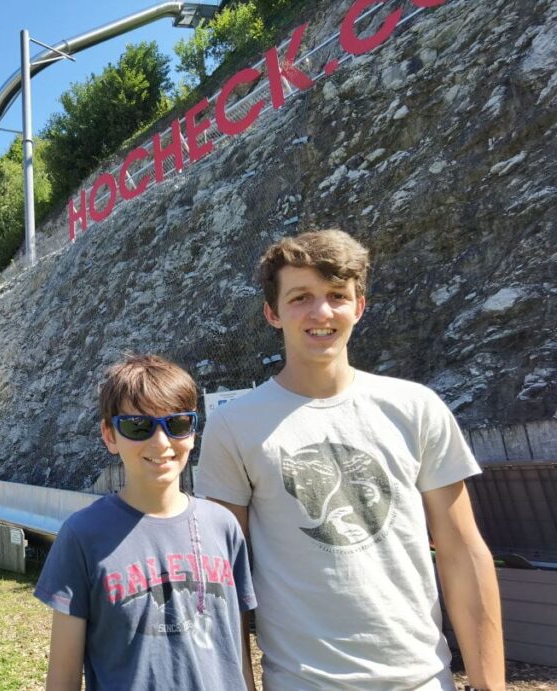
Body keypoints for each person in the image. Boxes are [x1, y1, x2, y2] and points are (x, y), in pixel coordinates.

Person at [196, 229, 504, 690]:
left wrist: (489, 685)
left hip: (423, 680)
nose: (321, 312)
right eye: (300, 297)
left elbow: (463, 552)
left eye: (337, 295)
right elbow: (226, 576)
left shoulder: (416, 407)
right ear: (272, 313)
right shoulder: (234, 426)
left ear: (358, 307)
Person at [36, 354, 257, 690]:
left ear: (193, 431)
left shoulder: (224, 526)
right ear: (110, 435)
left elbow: (237, 653)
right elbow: (63, 678)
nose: (161, 442)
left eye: (177, 423)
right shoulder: (81, 536)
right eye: (138, 426)